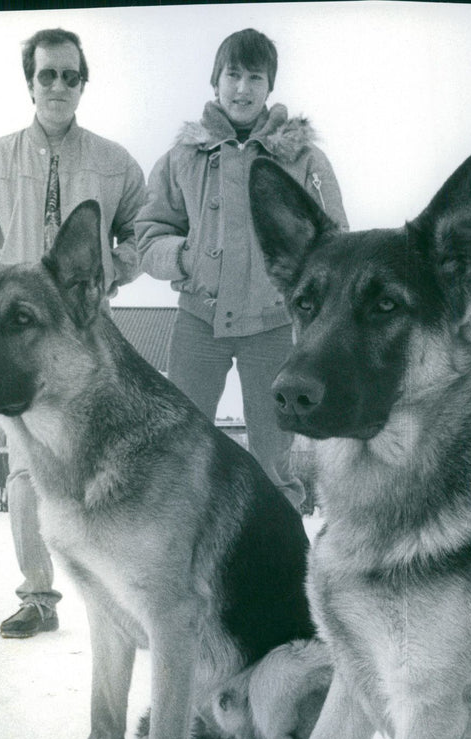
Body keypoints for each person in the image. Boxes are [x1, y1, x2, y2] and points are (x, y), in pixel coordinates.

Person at [0, 28, 146, 638]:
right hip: (16, 345)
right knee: (25, 470)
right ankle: (38, 596)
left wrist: (111, 271)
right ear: (29, 83)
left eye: (69, 75)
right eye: (46, 75)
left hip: (90, 340)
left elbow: (147, 230)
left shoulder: (116, 163)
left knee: (113, 462)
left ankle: (124, 599)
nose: (57, 85)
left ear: (83, 82)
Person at [135, 28, 347, 510]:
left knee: (274, 458)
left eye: (256, 77)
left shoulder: (304, 158)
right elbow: (146, 235)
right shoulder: (181, 158)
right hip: (197, 324)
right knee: (179, 449)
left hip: (272, 328)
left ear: (270, 87)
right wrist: (184, 258)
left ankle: (286, 569)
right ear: (216, 81)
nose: (243, 88)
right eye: (233, 75)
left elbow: (335, 241)